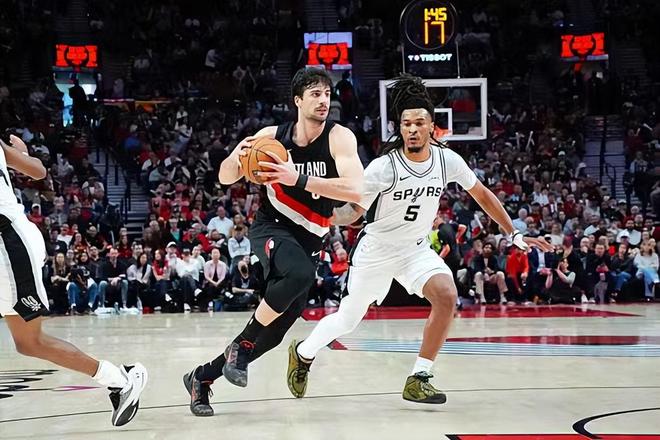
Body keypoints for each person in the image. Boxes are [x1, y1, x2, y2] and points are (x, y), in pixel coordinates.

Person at [284, 75, 552, 404]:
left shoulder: (446, 160)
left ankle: (419, 377)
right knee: (347, 320)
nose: (412, 129)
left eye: (419, 123)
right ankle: (303, 352)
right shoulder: (383, 167)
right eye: (406, 124)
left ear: (431, 127)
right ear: (399, 128)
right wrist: (317, 215)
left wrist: (514, 233)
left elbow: (481, 193)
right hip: (377, 251)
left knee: (446, 295)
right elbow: (352, 213)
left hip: (415, 250)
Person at [183, 67, 364, 416]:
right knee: (299, 275)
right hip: (272, 227)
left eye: (327, 94)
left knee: (272, 335)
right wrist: (237, 158)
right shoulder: (271, 138)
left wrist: (299, 180)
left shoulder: (339, 138)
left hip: (310, 239)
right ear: (297, 100)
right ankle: (241, 346)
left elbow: (358, 190)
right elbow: (225, 176)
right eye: (315, 94)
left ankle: (201, 378)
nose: (323, 101)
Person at [0, 135, 147, 426]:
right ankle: (119, 380)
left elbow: (38, 172)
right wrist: (20, 155)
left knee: (31, 340)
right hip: (11, 239)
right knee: (28, 345)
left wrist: (18, 156)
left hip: (8, 243)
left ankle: (121, 381)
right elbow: (37, 170)